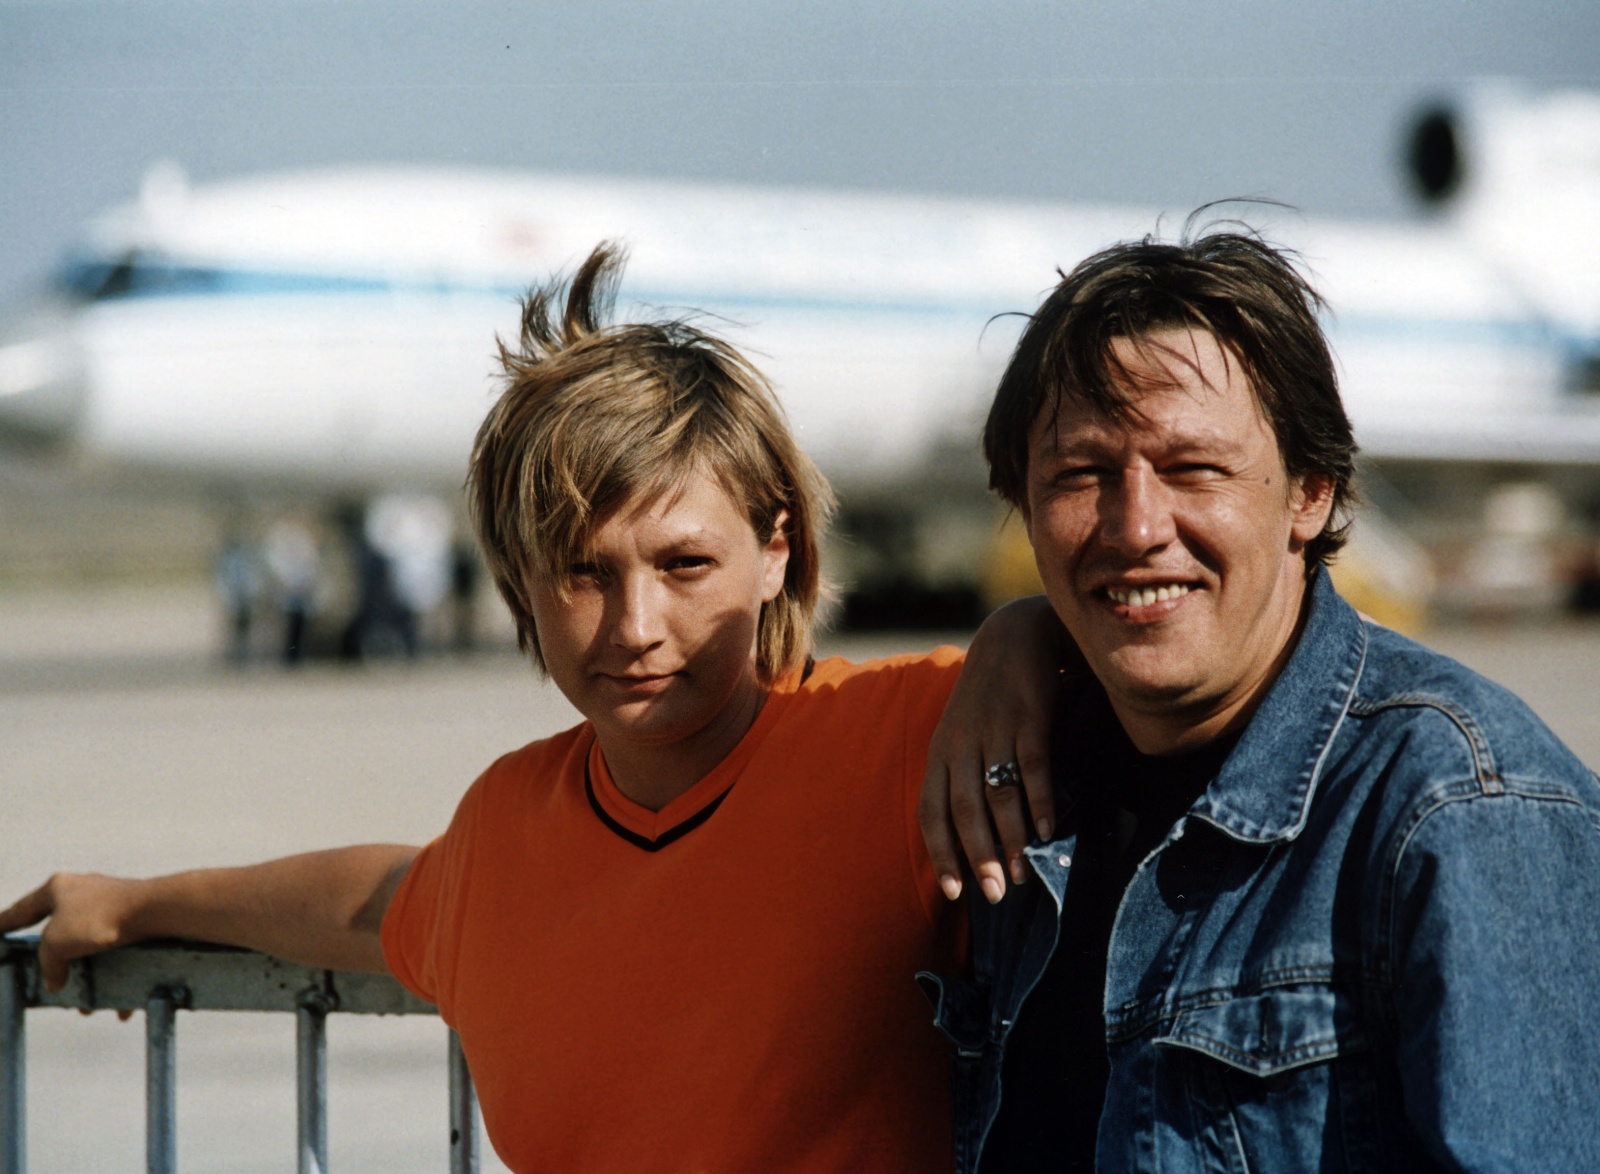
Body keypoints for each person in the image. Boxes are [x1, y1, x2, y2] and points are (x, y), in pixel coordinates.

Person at [0, 243, 1013, 1172]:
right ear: (517, 580)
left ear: (776, 552)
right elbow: (372, 902)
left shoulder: (913, 733)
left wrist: (1026, 634)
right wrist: (136, 904)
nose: (635, 627)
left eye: (685, 564)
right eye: (580, 571)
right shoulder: (507, 827)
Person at [918, 228, 1600, 1171]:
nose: (1136, 527)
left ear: (1310, 493)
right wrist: (1014, 633)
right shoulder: (1019, 793)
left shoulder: (1457, 811)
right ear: (1025, 507)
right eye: (1080, 474)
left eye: (1194, 468)